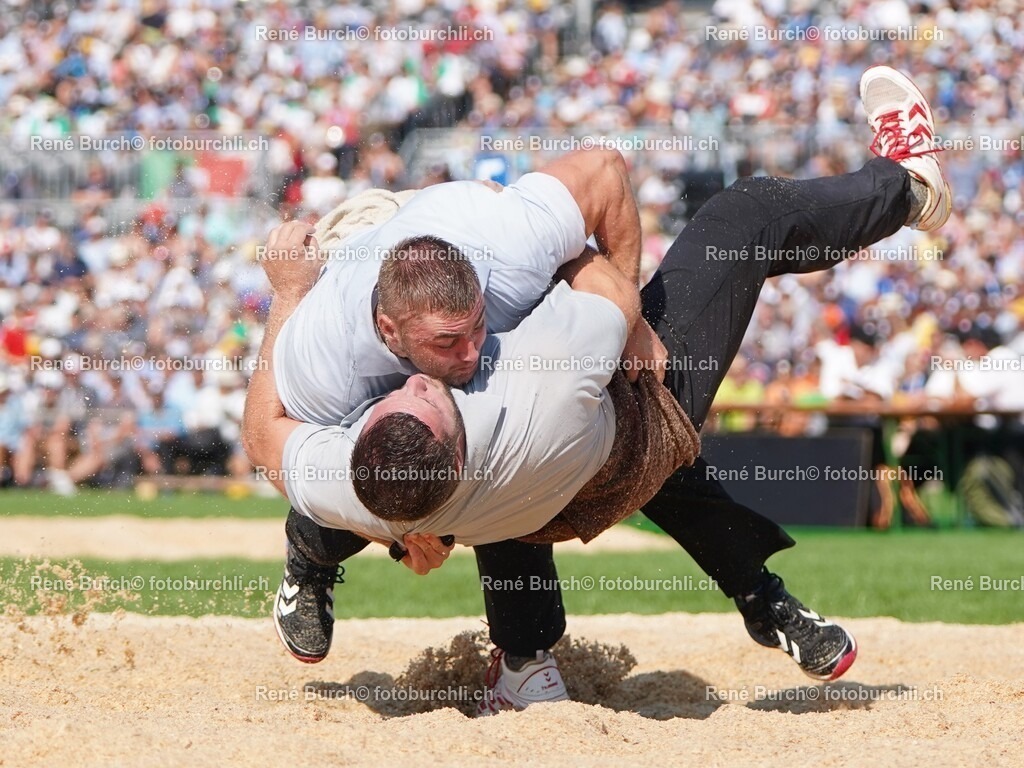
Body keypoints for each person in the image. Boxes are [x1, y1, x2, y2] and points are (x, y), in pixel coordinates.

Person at [246, 67, 950, 710]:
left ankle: (555, 653)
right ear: (383, 326)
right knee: (742, 224)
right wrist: (622, 311)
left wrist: (626, 307)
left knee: (435, 471)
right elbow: (285, 442)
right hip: (571, 436)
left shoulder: (503, 254)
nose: (458, 362)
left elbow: (272, 439)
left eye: (472, 331)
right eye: (438, 353)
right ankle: (907, 185)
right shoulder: (339, 354)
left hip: (561, 439)